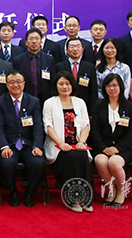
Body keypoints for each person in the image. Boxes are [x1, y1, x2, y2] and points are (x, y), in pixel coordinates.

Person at [43, 71, 93, 213]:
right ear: (56, 86)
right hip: (58, 145)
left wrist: (82, 142)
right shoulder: (49, 103)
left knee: (81, 155)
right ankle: (73, 198)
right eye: (61, 84)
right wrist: (61, 143)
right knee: (71, 157)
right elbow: (48, 126)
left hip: (77, 144)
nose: (65, 86)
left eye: (68, 83)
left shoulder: (80, 102)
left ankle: (85, 198)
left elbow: (86, 125)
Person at [0, 70, 44, 208]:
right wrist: (4, 146)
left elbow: (38, 126)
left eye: (18, 82)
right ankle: (13, 192)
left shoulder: (33, 101)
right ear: (6, 84)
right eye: (11, 82)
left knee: (38, 162)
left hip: (28, 144)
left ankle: (30, 193)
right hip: (9, 144)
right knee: (6, 163)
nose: (15, 85)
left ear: (24, 84)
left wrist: (37, 146)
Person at [90, 74, 132, 207]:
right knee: (100, 161)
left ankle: (121, 191)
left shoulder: (129, 106)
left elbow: (131, 131)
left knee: (114, 162)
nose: (112, 88)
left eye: (115, 85)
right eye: (109, 86)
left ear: (121, 87)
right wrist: (104, 148)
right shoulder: (99, 105)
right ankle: (112, 190)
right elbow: (95, 130)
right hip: (103, 146)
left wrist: (118, 148)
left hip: (123, 147)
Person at [12, 27, 56, 105]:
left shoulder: (49, 59)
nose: (34, 41)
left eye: (37, 38)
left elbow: (53, 81)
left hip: (46, 100)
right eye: (31, 39)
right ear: (26, 42)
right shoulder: (18, 60)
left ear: (41, 42)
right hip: (25, 99)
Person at [56, 38, 98, 110]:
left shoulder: (90, 67)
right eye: (72, 46)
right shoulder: (59, 66)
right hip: (63, 104)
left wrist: (92, 111)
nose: (75, 49)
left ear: (82, 49)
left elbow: (93, 90)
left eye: (78, 46)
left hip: (84, 105)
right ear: (66, 50)